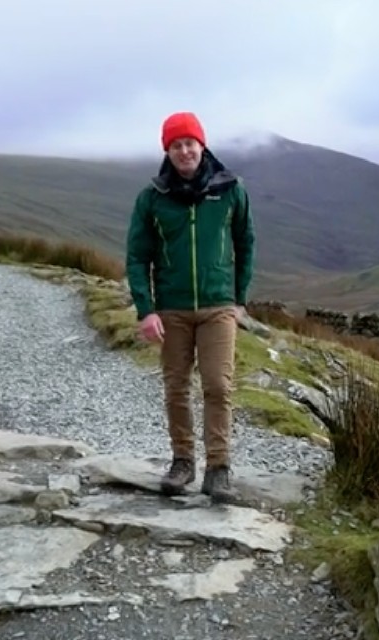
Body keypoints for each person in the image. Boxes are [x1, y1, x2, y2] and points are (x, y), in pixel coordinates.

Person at [124, 111, 256, 504]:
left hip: (218, 306)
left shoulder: (231, 189)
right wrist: (146, 310)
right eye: (176, 145)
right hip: (172, 309)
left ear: (202, 145)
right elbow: (137, 256)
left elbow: (245, 242)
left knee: (218, 385)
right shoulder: (152, 197)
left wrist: (239, 299)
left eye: (190, 143)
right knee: (176, 387)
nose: (184, 151)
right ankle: (182, 462)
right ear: (168, 150)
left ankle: (219, 469)